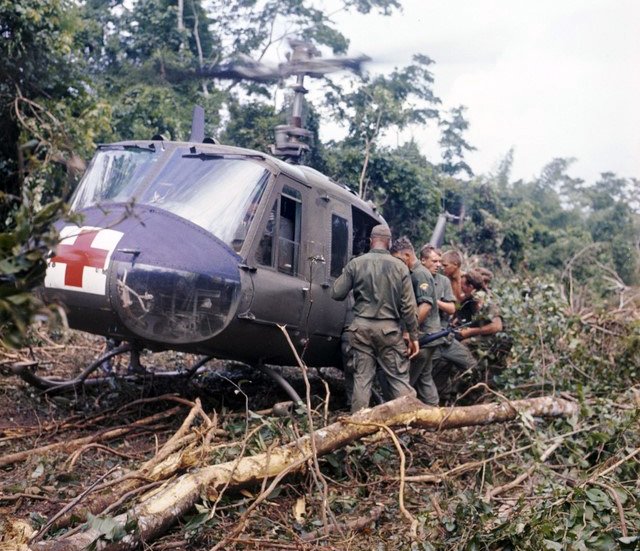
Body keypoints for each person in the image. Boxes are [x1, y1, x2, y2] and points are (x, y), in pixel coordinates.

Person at [331, 225, 420, 412]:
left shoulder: (356, 263)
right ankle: (409, 426)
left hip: (360, 329)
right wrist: (414, 337)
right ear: (388, 243)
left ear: (371, 241)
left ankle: (357, 431)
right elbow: (409, 307)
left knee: (362, 379)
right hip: (389, 331)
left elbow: (336, 293)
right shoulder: (400, 267)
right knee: (397, 379)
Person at [390, 237, 440, 406]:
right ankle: (435, 416)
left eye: (398, 259)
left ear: (407, 255)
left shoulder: (420, 274)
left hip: (424, 335)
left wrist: (409, 331)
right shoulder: (414, 273)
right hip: (427, 335)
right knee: (425, 379)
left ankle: (403, 413)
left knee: (404, 382)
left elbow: (425, 306)